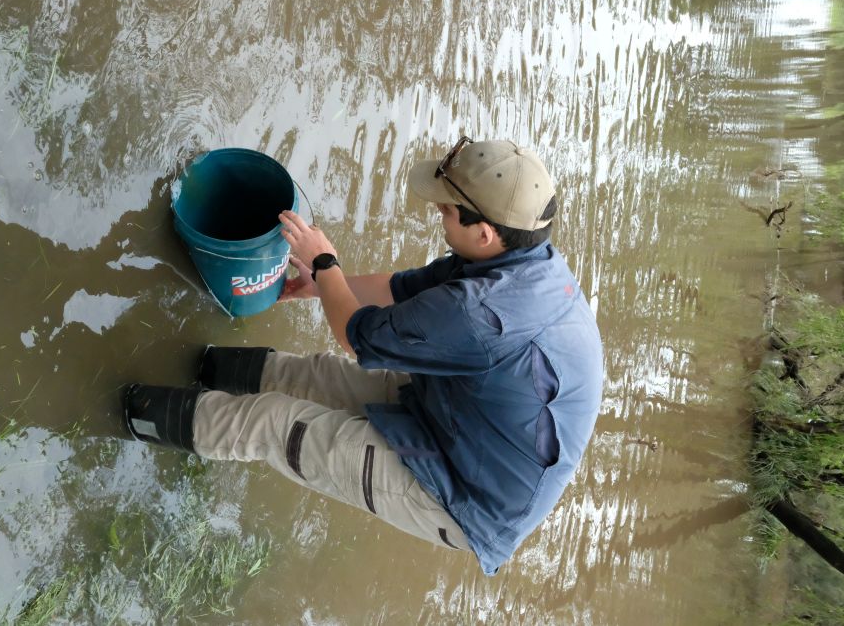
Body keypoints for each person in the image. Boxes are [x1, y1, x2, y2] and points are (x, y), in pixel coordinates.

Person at [123, 137, 603, 575]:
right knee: (315, 375)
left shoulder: (480, 314)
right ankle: (200, 366)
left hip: (464, 493)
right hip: (465, 411)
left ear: (484, 233)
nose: (437, 210)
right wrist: (323, 286)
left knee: (273, 423)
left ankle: (126, 409)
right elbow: (399, 291)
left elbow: (358, 336)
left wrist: (325, 263)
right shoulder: (516, 258)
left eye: (448, 211)